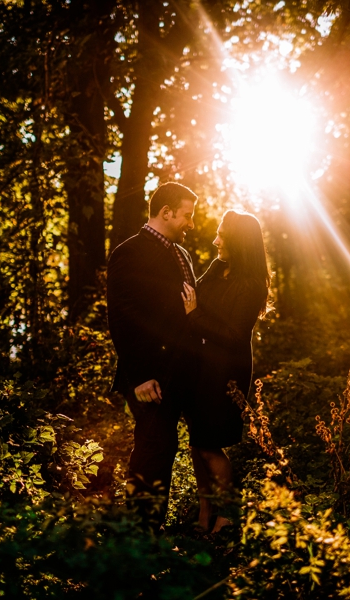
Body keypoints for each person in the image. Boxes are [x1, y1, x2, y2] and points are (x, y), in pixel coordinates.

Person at [106, 182, 201, 529]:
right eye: (187, 215)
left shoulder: (182, 253)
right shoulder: (129, 252)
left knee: (165, 449)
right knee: (153, 450)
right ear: (166, 212)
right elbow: (122, 317)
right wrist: (141, 374)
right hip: (148, 377)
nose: (191, 223)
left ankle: (148, 534)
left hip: (177, 373)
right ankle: (138, 536)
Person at [181, 210, 270, 533]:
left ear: (240, 242)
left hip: (225, 371)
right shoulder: (219, 268)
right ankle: (206, 515)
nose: (216, 240)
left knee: (209, 443)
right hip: (201, 364)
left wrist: (193, 317)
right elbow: (197, 297)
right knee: (196, 442)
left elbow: (234, 334)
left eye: (222, 235)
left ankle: (229, 514)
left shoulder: (252, 285)